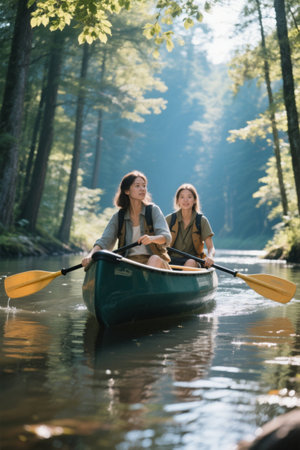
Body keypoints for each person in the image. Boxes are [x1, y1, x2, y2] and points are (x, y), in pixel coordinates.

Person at [81, 170, 171, 269]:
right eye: (137, 186)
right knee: (104, 261)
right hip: (129, 263)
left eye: (144, 186)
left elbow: (166, 237)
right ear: (127, 191)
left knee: (155, 259)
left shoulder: (153, 210)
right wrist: (90, 255)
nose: (142, 189)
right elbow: (104, 242)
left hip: (156, 263)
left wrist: (151, 239)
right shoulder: (119, 217)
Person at [165, 183, 215, 268]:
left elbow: (211, 247)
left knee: (190, 262)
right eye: (182, 197)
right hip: (171, 260)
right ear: (178, 200)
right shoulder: (170, 219)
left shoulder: (202, 220)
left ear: (195, 200)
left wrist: (210, 256)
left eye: (189, 197)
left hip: (193, 260)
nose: (185, 200)